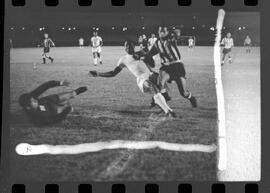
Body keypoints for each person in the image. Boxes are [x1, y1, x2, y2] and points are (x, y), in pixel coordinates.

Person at [89, 40, 176, 117]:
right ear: (124, 48)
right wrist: (98, 74)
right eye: (126, 46)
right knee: (154, 89)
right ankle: (168, 111)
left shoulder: (141, 53)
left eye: (130, 45)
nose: (128, 47)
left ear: (134, 46)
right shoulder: (123, 60)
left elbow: (152, 64)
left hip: (151, 75)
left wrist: (144, 57)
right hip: (142, 79)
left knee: (163, 90)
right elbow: (113, 73)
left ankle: (160, 103)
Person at [144, 27, 197, 108]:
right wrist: (143, 56)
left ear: (167, 32)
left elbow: (177, 34)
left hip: (177, 66)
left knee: (183, 93)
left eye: (163, 31)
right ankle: (163, 97)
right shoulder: (157, 43)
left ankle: (191, 98)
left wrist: (176, 33)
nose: (161, 32)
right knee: (160, 83)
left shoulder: (170, 39)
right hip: (166, 67)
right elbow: (149, 54)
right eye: (160, 31)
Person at [18, 80, 87, 126]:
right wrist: (66, 111)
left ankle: (75, 92)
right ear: (28, 107)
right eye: (33, 102)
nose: (35, 100)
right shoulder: (36, 118)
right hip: (52, 111)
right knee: (66, 106)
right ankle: (66, 107)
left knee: (69, 94)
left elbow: (45, 86)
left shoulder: (31, 96)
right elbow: (54, 120)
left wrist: (60, 83)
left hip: (48, 100)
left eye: (34, 99)